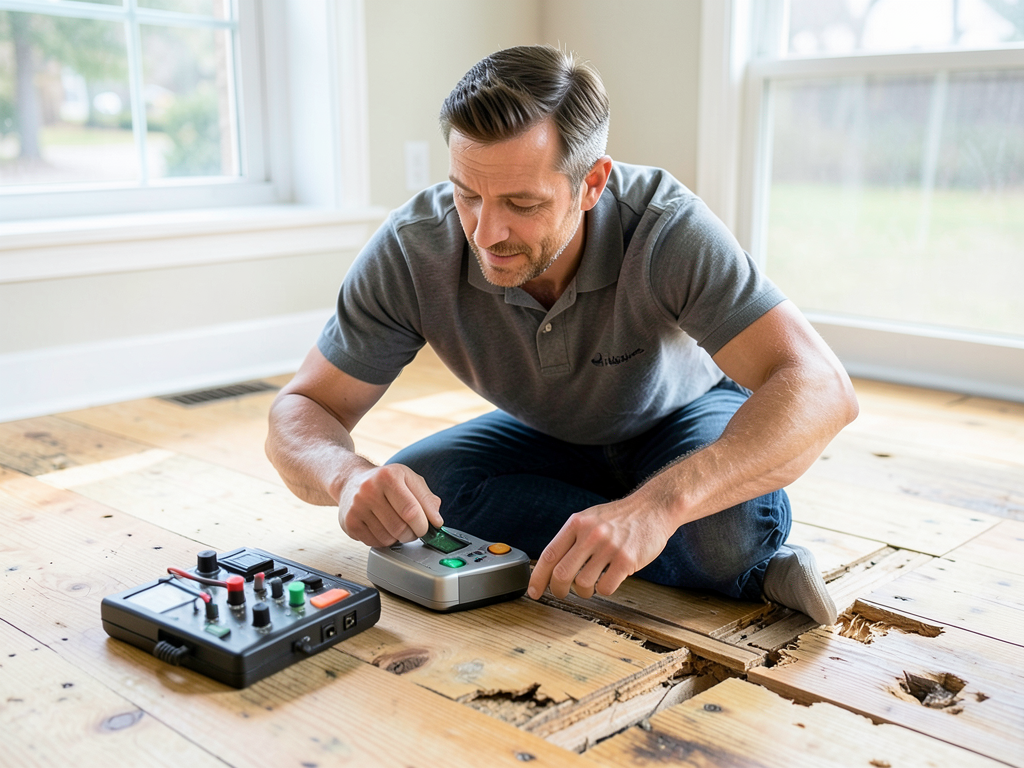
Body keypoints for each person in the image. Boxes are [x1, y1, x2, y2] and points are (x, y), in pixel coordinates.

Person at [266, 45, 859, 625]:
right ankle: (699, 555)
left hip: (682, 413)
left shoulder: (666, 228)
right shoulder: (414, 247)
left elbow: (824, 388)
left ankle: (737, 557)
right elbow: (301, 408)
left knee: (728, 532)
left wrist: (656, 507)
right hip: (543, 433)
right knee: (419, 499)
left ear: (592, 183)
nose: (486, 233)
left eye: (522, 203)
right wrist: (347, 476)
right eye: (467, 195)